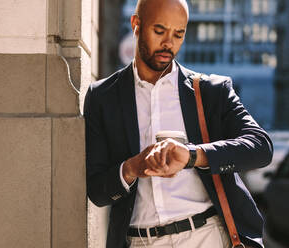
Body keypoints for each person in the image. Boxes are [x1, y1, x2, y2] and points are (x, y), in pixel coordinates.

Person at [84, 0, 273, 247]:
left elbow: (261, 147)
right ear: (136, 25)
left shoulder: (209, 91)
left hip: (206, 236)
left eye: (178, 34)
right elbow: (97, 191)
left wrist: (193, 155)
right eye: (159, 31)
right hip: (140, 241)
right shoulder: (103, 96)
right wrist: (131, 168)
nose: (168, 43)